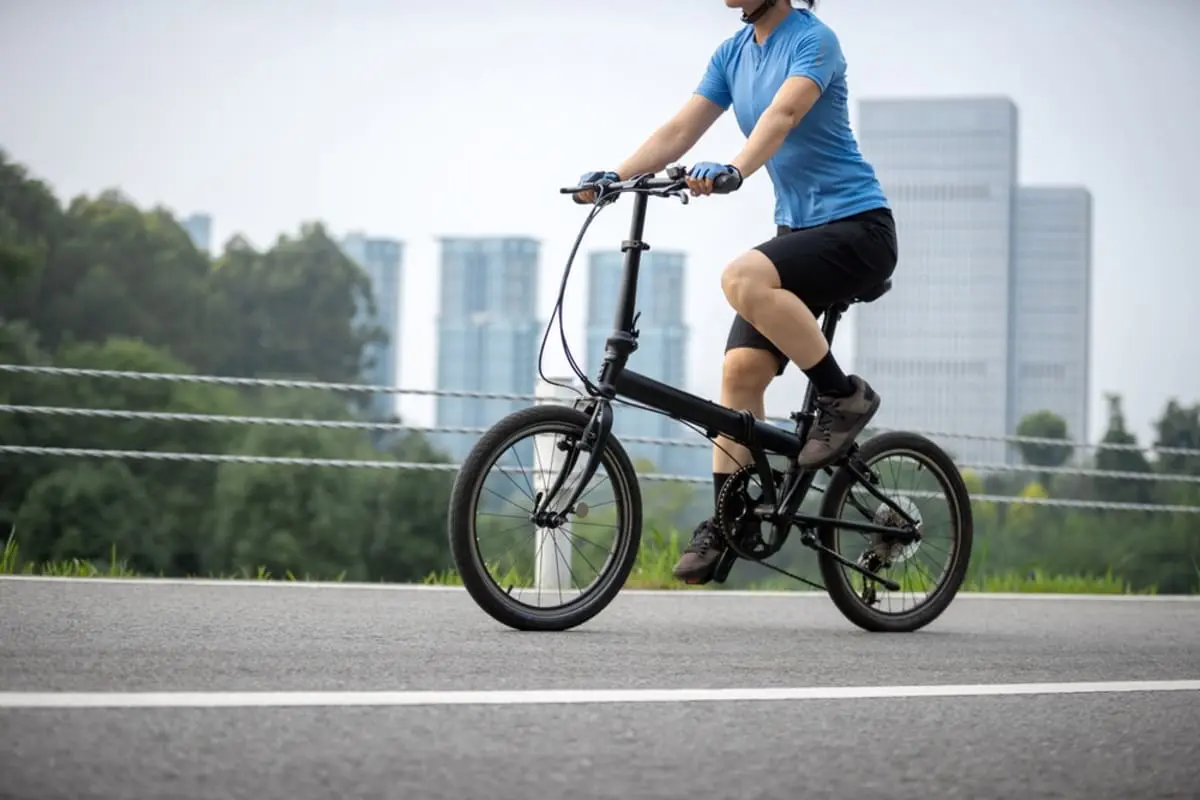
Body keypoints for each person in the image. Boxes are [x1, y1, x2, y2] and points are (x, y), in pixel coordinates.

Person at [574, 0, 898, 584]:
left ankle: (842, 396)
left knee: (741, 277)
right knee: (740, 374)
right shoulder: (732, 54)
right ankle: (732, 519)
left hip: (858, 229)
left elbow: (783, 115)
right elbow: (678, 130)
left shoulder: (813, 40)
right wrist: (614, 178)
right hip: (798, 233)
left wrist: (735, 170)